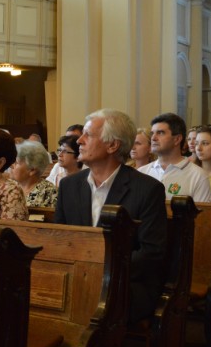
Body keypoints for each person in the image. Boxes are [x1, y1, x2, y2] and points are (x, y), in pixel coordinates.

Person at [54, 109, 167, 323]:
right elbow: (60, 239)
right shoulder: (69, 186)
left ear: (113, 145)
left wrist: (100, 273)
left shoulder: (147, 189)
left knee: (87, 301)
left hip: (126, 282)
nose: (79, 140)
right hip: (77, 279)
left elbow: (151, 253)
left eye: (88, 135)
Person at [139, 112, 211, 202]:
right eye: (152, 133)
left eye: (160, 133)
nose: (153, 138)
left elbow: (203, 211)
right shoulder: (141, 172)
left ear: (177, 139)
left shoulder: (198, 176)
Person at [11, 140, 57, 208]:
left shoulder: (48, 192)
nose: (11, 166)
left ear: (32, 170)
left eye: (16, 163)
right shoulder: (10, 186)